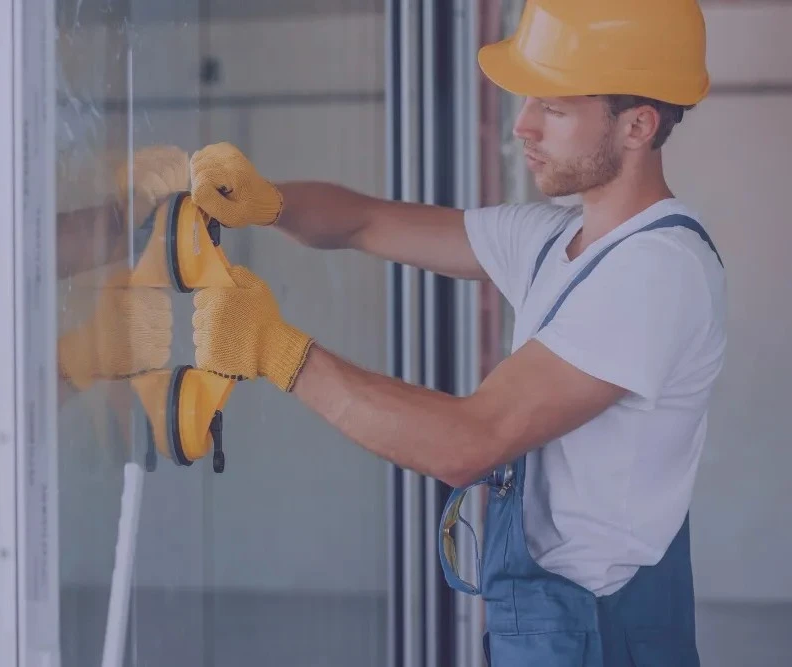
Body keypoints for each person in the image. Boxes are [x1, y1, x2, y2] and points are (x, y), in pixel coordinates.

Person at [188, 0, 726, 664]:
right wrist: (266, 200)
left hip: (598, 637)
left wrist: (276, 350)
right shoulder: (556, 239)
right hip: (554, 622)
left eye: (553, 108)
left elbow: (467, 442)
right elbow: (364, 221)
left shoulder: (654, 272)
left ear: (637, 124)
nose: (522, 125)